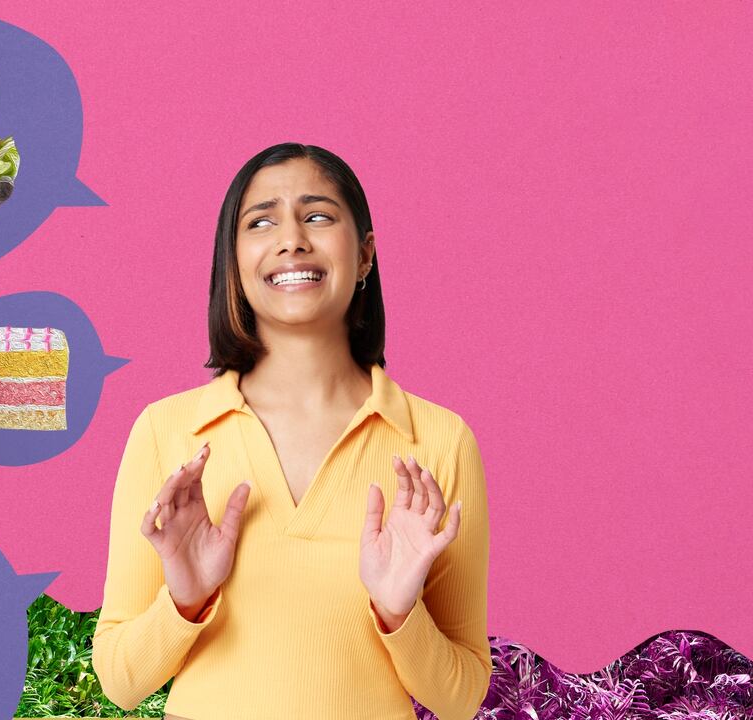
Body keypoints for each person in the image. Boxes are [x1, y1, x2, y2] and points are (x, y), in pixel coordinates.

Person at [92, 142, 491, 720]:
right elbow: (120, 682)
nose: (291, 240)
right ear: (234, 261)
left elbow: (461, 698)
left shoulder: (439, 441)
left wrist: (400, 614)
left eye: (318, 216)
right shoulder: (166, 430)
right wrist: (185, 599)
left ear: (365, 255)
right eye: (261, 222)